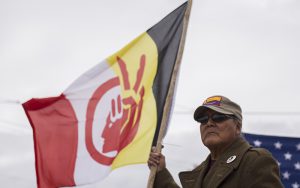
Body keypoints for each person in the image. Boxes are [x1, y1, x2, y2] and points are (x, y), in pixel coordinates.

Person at [148, 95, 284, 188]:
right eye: (203, 120)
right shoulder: (201, 170)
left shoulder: (255, 160)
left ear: (237, 127)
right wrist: (161, 172)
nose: (209, 123)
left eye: (218, 117)